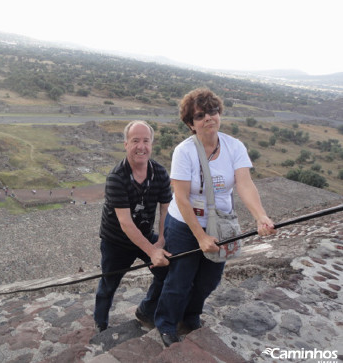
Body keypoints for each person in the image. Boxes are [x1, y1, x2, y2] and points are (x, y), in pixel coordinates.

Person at [154, 88, 277, 347]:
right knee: (179, 279)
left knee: (209, 279)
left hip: (220, 224)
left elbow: (244, 184)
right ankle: (166, 323)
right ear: (191, 123)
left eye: (212, 111)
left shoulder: (234, 147)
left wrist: (260, 216)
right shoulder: (184, 152)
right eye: (200, 115)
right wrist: (199, 236)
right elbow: (182, 197)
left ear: (219, 113)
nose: (208, 118)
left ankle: (191, 316)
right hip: (185, 225)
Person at [94, 120, 173, 332]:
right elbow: (126, 223)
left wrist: (161, 241)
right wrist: (152, 251)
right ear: (126, 144)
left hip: (146, 236)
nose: (141, 146)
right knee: (108, 285)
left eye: (146, 141)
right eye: (135, 140)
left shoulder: (160, 173)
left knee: (168, 271)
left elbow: (166, 209)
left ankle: (147, 310)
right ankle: (100, 325)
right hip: (116, 241)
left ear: (152, 144)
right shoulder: (116, 178)